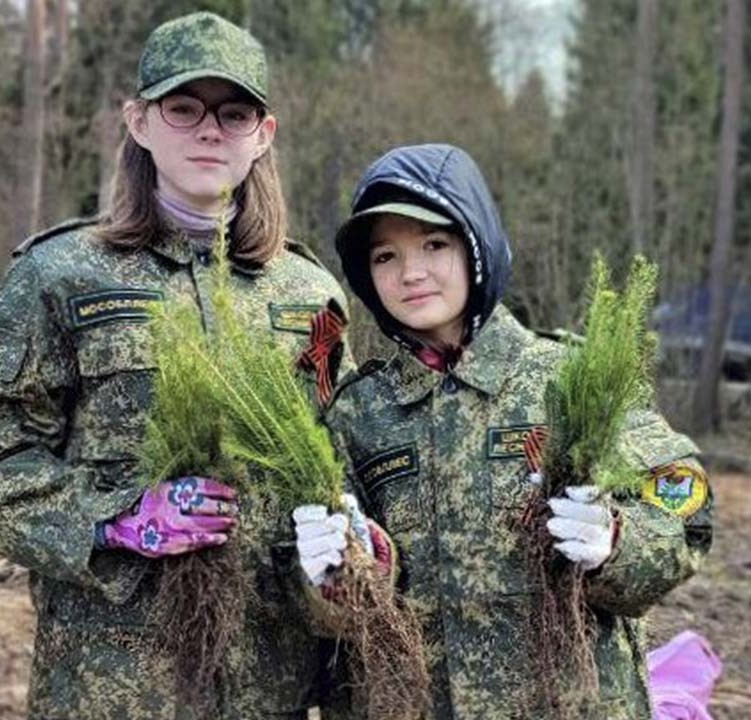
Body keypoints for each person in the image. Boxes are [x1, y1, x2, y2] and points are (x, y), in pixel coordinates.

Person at [0, 12, 351, 720]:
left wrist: (350, 545)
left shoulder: (310, 295)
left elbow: (345, 454)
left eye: (234, 112)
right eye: (183, 109)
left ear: (263, 136)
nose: (210, 130)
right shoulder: (62, 275)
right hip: (113, 683)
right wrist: (111, 521)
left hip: (269, 686)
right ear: (139, 122)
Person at [296, 144, 714, 719]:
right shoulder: (358, 412)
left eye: (434, 245)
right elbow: (327, 616)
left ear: (477, 249)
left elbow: (684, 505)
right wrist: (339, 578)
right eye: (386, 256)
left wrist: (617, 541)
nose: (411, 272)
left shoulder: (570, 377)